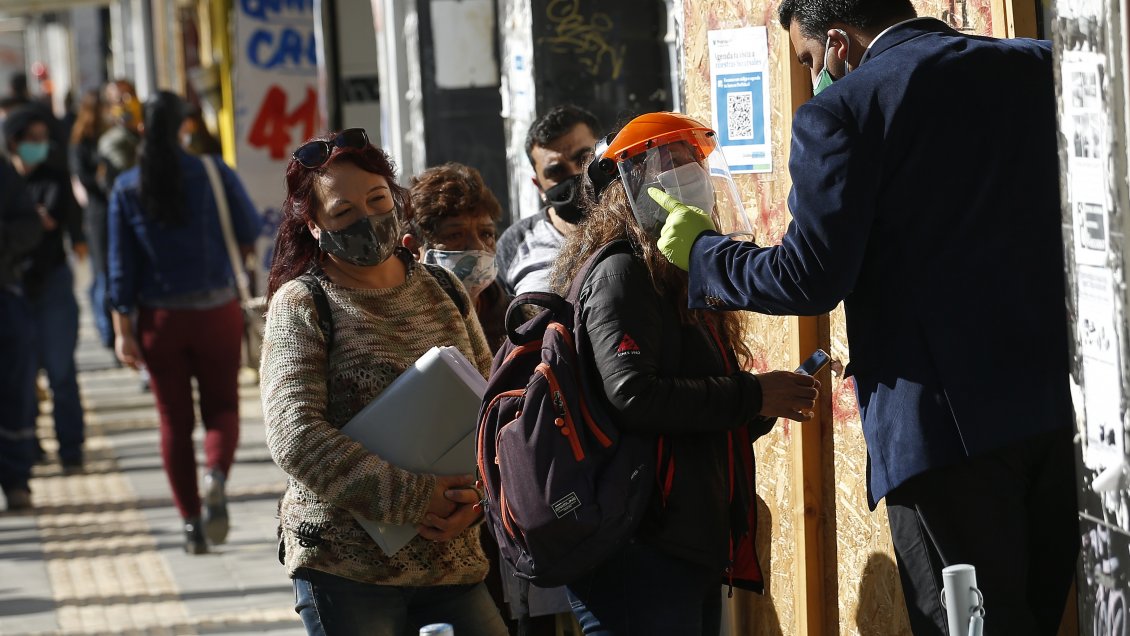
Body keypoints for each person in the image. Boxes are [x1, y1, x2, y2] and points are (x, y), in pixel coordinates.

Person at [653, 0, 1077, 632]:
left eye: (808, 59)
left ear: (840, 45)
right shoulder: (1038, 65)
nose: (813, 73)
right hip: (1059, 413)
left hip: (944, 435)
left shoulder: (842, 112)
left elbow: (807, 275)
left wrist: (705, 254)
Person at [553, 112, 819, 635]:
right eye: (667, 163)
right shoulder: (622, 271)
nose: (686, 173)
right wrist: (751, 395)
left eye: (690, 159)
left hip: (680, 541)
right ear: (626, 189)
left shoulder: (673, 271)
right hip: (636, 546)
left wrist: (764, 403)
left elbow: (690, 412)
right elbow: (633, 395)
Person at [259, 127, 509, 636]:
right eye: (344, 212)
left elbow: (494, 411)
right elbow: (295, 435)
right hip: (346, 570)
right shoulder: (303, 305)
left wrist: (476, 500)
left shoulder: (443, 288)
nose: (367, 219)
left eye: (377, 200)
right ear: (314, 225)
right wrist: (416, 498)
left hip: (452, 559)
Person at [108, 91, 261, 554]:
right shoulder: (214, 172)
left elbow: (119, 267)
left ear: (141, 130)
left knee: (173, 422)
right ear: (185, 127)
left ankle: (191, 523)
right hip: (216, 312)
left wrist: (123, 331)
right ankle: (215, 474)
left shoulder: (126, 187)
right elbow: (250, 227)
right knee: (223, 409)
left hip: (159, 320)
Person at [4, 106, 88, 473]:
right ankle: (28, 445)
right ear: (14, 142)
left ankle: (71, 448)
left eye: (43, 138)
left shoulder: (55, 176)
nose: (40, 146)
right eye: (32, 140)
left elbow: (65, 224)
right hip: (13, 284)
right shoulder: (6, 181)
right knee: (21, 375)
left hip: (52, 281)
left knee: (60, 371)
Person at [495, 105, 600, 297]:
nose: (577, 174)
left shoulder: (641, 222)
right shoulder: (517, 243)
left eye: (584, 159)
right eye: (556, 171)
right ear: (540, 186)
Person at [406, 162, 509, 352]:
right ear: (413, 248)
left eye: (486, 234)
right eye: (455, 235)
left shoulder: (520, 320)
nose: (478, 246)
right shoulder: (402, 329)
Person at [0, 154, 44, 510]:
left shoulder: (3, 171)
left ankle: (16, 479)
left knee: (14, 390)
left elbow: (29, 227)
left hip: (5, 294)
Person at [70, 88, 115, 351]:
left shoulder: (111, 135)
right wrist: (102, 179)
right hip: (98, 213)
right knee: (103, 275)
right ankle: (107, 332)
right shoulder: (81, 142)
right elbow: (83, 178)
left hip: (113, 208)